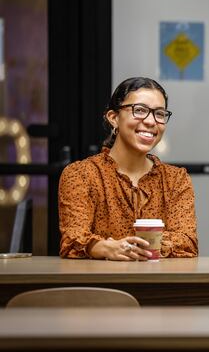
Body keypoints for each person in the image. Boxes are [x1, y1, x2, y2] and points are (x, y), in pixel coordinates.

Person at [59, 77, 198, 260]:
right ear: (114, 118)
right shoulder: (81, 174)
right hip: (101, 284)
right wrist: (108, 249)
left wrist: (135, 247)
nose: (151, 121)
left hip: (161, 285)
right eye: (139, 110)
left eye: (160, 114)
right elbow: (73, 240)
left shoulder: (176, 179)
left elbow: (187, 242)